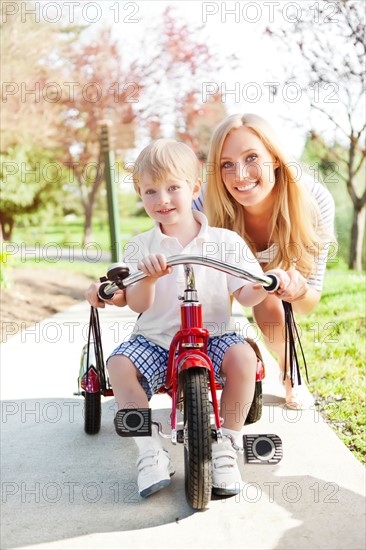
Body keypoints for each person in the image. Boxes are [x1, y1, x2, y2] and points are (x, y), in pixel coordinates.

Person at [87, 138, 290, 499]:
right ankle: (149, 449)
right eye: (150, 191)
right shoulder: (140, 246)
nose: (162, 200)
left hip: (212, 336)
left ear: (195, 188)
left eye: (173, 188)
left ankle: (227, 443)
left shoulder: (225, 242)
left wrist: (265, 285)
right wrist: (147, 277)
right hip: (157, 339)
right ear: (140, 195)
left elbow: (245, 292)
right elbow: (136, 304)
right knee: (118, 364)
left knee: (244, 356)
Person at [197, 113, 336, 409]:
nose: (240, 175)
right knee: (203, 306)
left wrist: (296, 290)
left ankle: (289, 371)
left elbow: (308, 303)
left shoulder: (314, 201)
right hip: (227, 266)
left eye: (251, 158)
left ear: (274, 158)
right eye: (226, 165)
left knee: (271, 311)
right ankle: (200, 374)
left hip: (274, 281)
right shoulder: (205, 202)